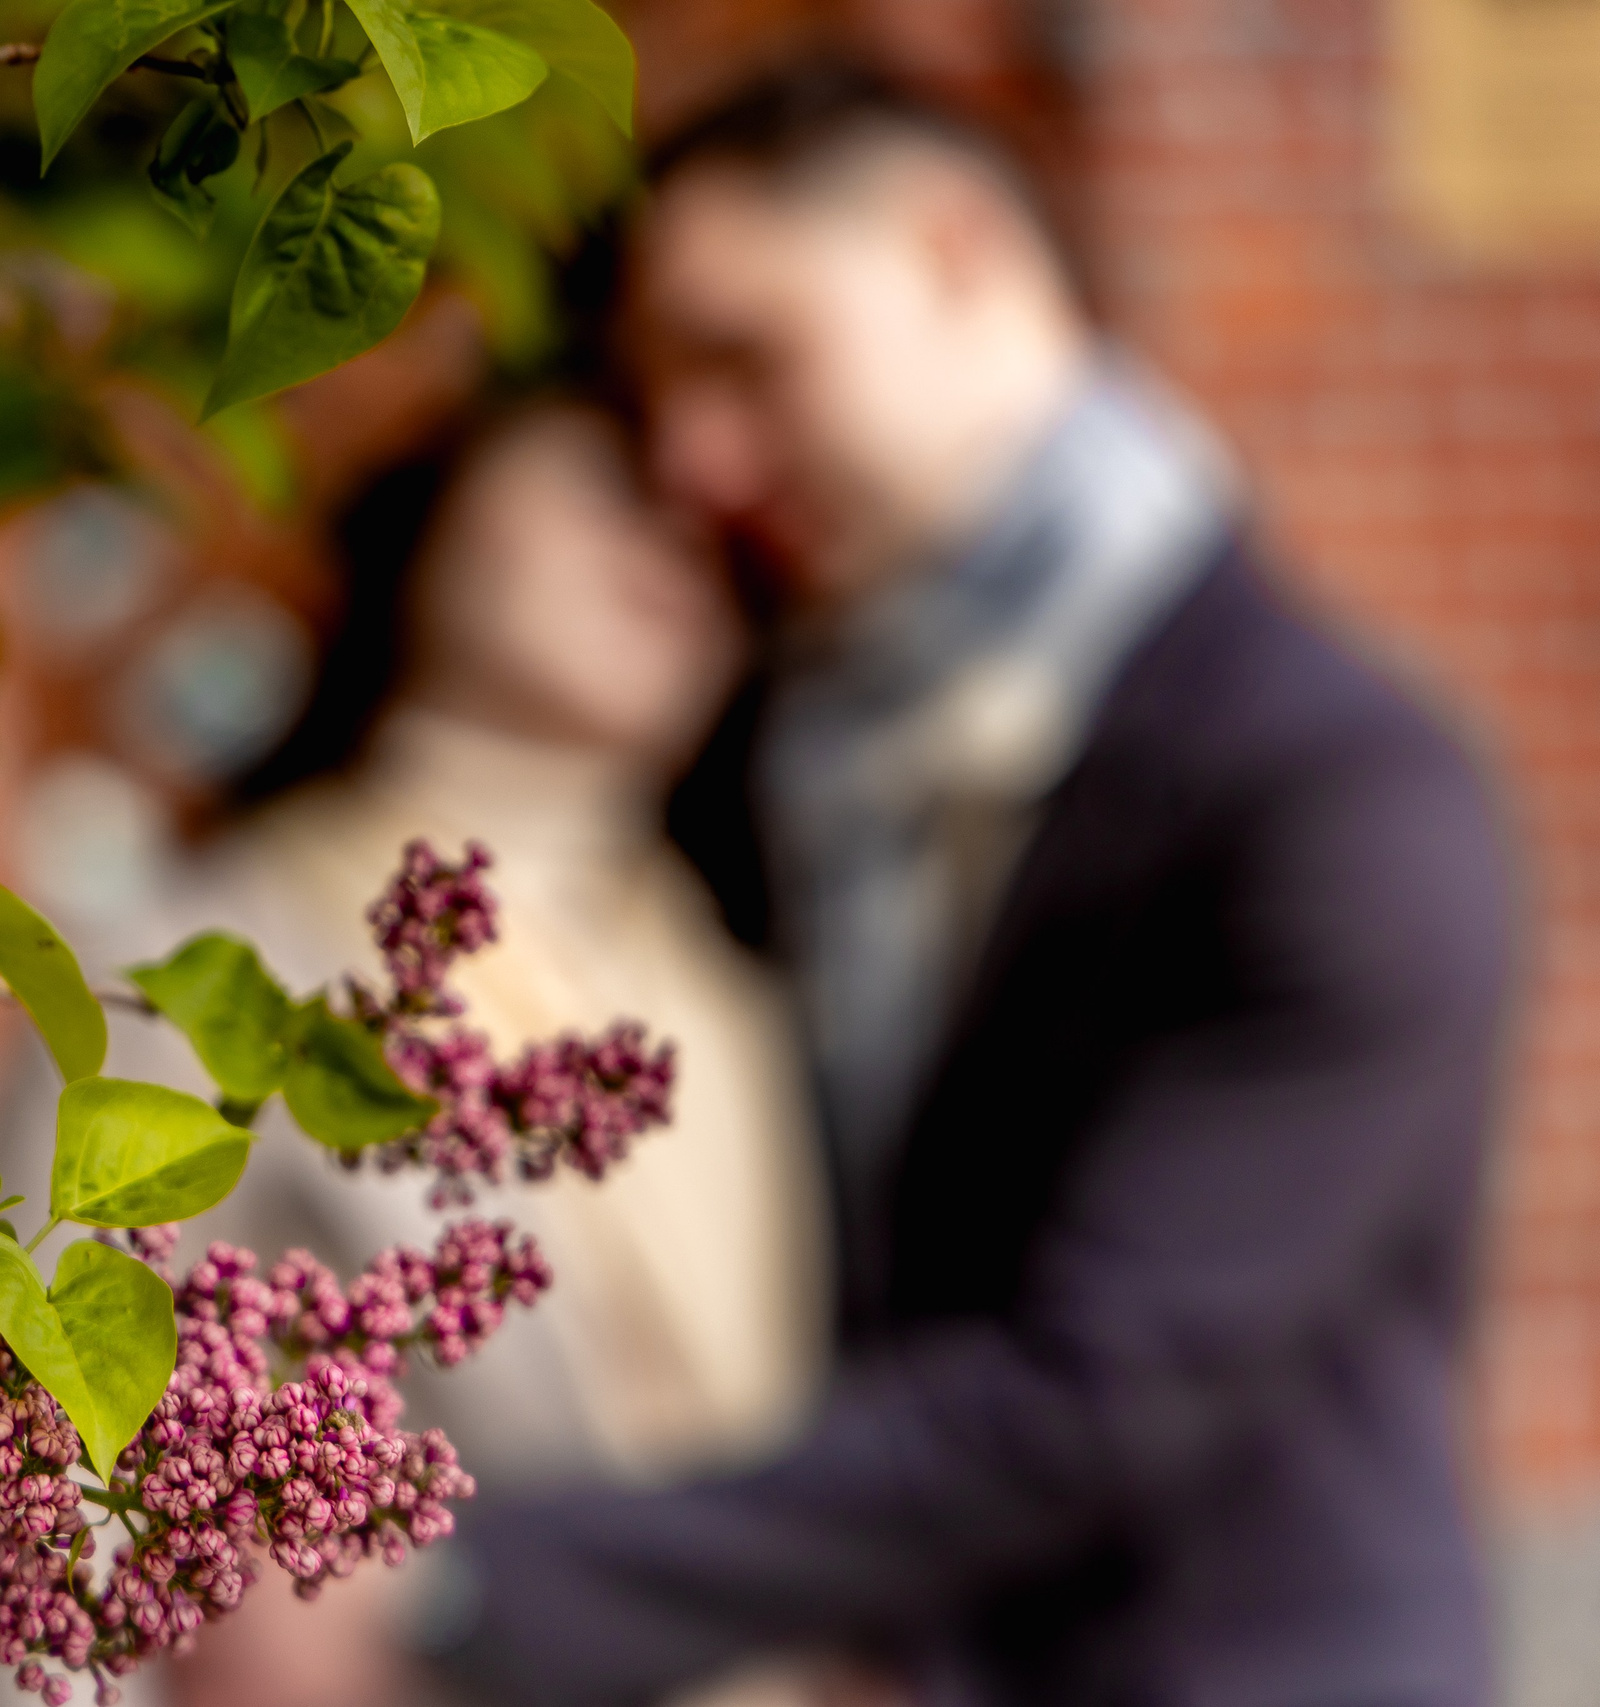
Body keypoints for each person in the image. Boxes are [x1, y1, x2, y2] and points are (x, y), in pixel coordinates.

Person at [416, 59, 1516, 1707]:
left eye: (742, 357)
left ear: (956, 252)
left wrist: (446, 1596)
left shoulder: (1343, 795)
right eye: (661, 402)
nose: (701, 463)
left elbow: (1103, 1386)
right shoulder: (792, 747)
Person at [117, 394, 829, 1707]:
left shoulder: (747, 1010)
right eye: (612, 479)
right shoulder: (213, 960)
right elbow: (49, 1487)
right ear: (436, 516)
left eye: (726, 542)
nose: (673, 537)